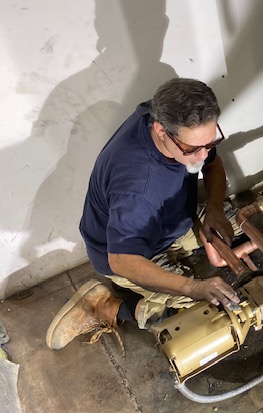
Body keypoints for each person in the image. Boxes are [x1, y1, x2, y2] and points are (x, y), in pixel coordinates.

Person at [46, 78, 241, 350]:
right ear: (161, 130)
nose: (203, 154)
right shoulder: (137, 189)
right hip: (129, 254)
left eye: (210, 142)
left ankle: (180, 255)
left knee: (239, 217)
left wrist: (215, 210)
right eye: (192, 149)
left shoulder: (169, 114)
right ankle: (104, 307)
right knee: (210, 317)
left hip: (169, 222)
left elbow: (212, 163)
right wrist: (191, 288)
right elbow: (123, 260)